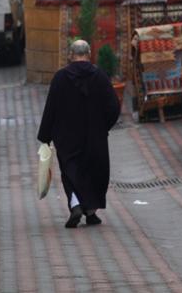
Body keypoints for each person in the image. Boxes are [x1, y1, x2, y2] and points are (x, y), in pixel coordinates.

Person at [37, 39, 121, 228]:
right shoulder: (99, 76)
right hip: (94, 135)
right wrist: (103, 126)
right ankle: (91, 211)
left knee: (71, 170)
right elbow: (113, 106)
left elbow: (51, 107)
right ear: (89, 54)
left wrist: (45, 136)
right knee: (94, 170)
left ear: (70, 55)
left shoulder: (60, 78)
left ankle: (75, 203)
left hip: (66, 136)